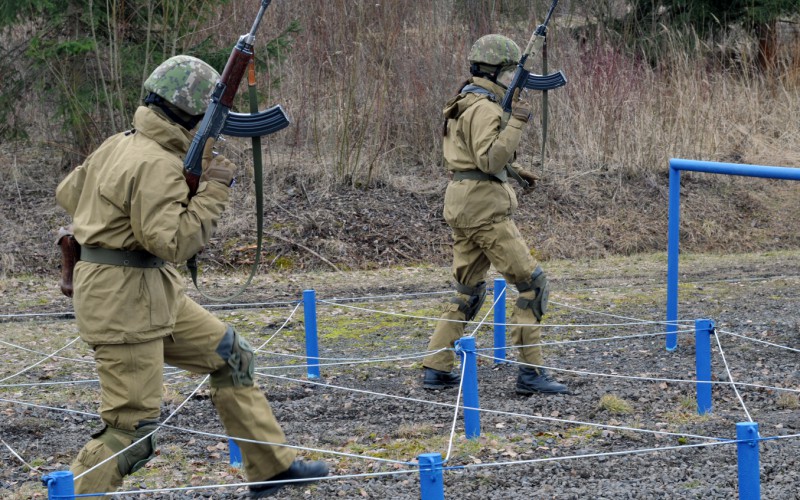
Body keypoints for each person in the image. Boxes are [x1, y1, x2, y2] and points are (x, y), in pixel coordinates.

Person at [55, 55, 328, 498]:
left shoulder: (120, 143)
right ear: (193, 113)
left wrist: (114, 220)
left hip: (146, 291)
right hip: (124, 303)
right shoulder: (155, 162)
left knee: (230, 353)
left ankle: (270, 466)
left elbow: (68, 193)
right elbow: (176, 243)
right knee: (132, 431)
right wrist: (214, 187)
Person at [421, 34, 569, 395]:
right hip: (485, 210)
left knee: (467, 291)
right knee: (532, 285)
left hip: (462, 202)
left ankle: (435, 368)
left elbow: (470, 158)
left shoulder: (463, 102)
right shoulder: (488, 108)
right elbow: (488, 159)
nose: (511, 78)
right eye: (509, 71)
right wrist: (517, 122)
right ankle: (531, 374)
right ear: (498, 71)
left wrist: (516, 173)